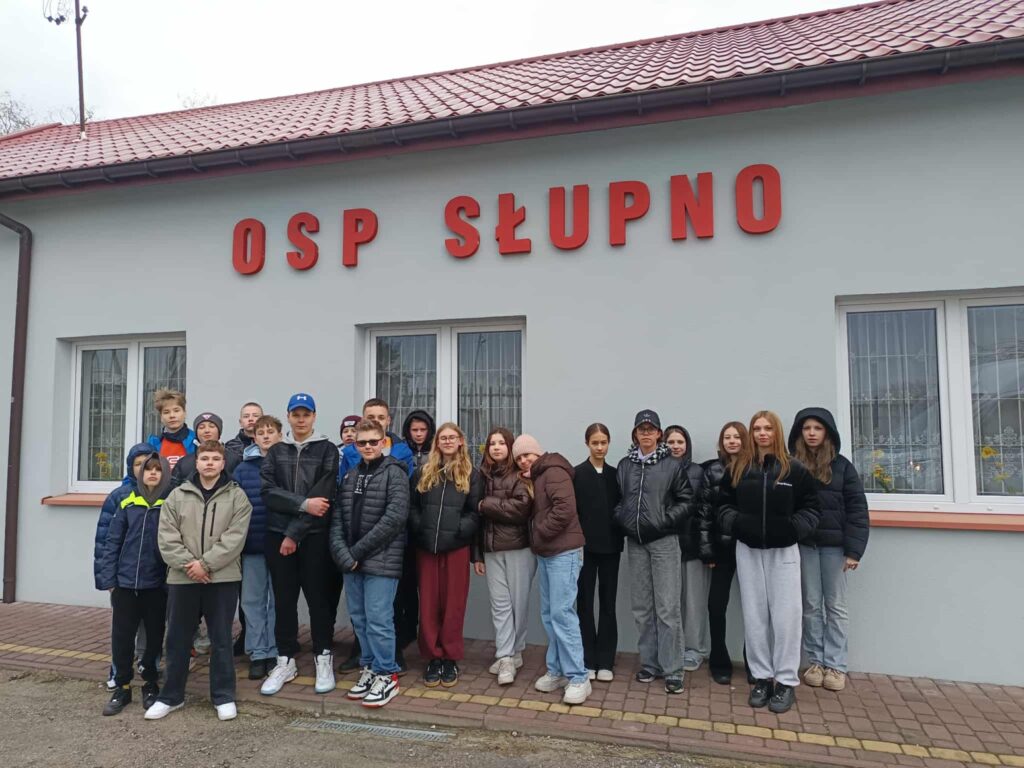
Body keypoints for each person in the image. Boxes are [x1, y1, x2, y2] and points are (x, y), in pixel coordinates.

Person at [716, 410, 820, 714]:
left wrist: (792, 530)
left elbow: (812, 509)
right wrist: (737, 525)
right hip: (748, 550)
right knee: (755, 616)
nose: (762, 433)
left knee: (787, 617)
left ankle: (785, 681)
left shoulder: (794, 470)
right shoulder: (738, 468)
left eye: (767, 428)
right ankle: (762, 678)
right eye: (757, 428)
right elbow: (722, 506)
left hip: (783, 552)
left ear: (776, 432)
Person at [147, 441, 252, 721]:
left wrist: (205, 565)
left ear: (223, 463)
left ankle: (223, 696)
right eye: (204, 458)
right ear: (196, 462)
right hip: (183, 578)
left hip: (222, 578)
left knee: (221, 639)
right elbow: (167, 537)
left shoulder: (237, 497)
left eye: (215, 459)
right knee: (177, 639)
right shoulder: (177, 495)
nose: (209, 463)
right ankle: (170, 697)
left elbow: (235, 538)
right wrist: (190, 566)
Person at [259, 393, 340, 697]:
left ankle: (323, 656)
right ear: (289, 416)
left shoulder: (327, 450)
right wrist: (303, 504)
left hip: (313, 537)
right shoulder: (276, 451)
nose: (301, 419)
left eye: (306, 414)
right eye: (296, 414)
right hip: (276, 535)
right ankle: (285, 660)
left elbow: (324, 495)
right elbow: (268, 492)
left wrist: (294, 534)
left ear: (314, 416)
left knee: (319, 600)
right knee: (284, 600)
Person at [331, 419, 411, 708]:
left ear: (383, 442)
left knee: (379, 619)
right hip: (352, 562)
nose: (367, 447)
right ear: (355, 445)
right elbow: (337, 518)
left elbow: (394, 518)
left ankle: (387, 674)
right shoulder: (350, 475)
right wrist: (344, 554)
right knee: (360, 619)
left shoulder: (395, 473)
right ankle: (369, 667)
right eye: (361, 442)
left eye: (373, 442)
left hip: (381, 561)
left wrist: (356, 552)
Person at [788, 407, 869, 693]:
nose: (811, 433)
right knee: (811, 605)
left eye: (817, 428)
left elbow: (857, 509)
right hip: (805, 546)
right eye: (806, 428)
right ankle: (816, 662)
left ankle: (836, 665)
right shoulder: (793, 465)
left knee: (835, 606)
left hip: (835, 548)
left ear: (828, 433)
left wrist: (854, 550)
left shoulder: (843, 467)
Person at [613, 410, 693, 694]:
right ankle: (650, 663)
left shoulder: (672, 465)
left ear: (659, 433)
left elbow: (686, 501)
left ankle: (673, 669)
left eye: (651, 429)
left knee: (667, 608)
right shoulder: (625, 465)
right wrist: (623, 519)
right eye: (641, 429)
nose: (646, 433)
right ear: (635, 434)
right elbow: (619, 500)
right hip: (636, 543)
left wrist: (663, 521)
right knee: (642, 608)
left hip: (664, 543)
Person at [514, 434, 591, 706]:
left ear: (538, 453)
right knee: (550, 614)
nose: (524, 460)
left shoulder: (554, 471)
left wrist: (539, 532)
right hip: (548, 553)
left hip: (563, 552)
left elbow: (565, 509)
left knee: (562, 614)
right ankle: (557, 670)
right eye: (519, 457)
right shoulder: (538, 476)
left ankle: (579, 677)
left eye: (527, 454)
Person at [97, 453, 171, 715]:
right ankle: (123, 686)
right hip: (125, 585)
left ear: (164, 474)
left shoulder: (169, 504)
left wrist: (167, 583)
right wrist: (110, 580)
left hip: (156, 586)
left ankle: (150, 683)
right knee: (122, 638)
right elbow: (112, 543)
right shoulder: (128, 503)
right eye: (147, 469)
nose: (152, 473)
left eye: (157, 470)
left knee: (154, 638)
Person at [409, 422, 482, 688]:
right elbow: (412, 507)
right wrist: (421, 528)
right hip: (427, 548)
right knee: (429, 604)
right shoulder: (423, 471)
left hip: (456, 548)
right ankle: (432, 657)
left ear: (461, 441)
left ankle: (450, 657)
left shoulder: (471, 474)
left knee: (453, 605)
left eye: (453, 437)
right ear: (437, 442)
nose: (448, 441)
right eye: (443, 438)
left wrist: (459, 531)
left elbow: (475, 512)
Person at [94, 442, 158, 689]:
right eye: (138, 464)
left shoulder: (165, 496)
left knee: (152, 630)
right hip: (124, 578)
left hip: (153, 580)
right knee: (122, 631)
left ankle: (149, 668)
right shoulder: (120, 496)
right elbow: (105, 540)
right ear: (131, 468)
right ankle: (118, 673)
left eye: (149, 465)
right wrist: (107, 579)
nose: (144, 469)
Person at [473, 427, 534, 685]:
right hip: (491, 549)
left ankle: (515, 651)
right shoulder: (482, 475)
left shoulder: (520, 474)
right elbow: (476, 518)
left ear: (510, 447)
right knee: (499, 605)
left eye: (501, 443)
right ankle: (505, 655)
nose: (496, 447)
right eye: (492, 443)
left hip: (519, 548)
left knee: (518, 604)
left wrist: (486, 505)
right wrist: (477, 555)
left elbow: (521, 509)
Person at [697, 421, 751, 685]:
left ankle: (754, 662)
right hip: (722, 549)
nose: (732, 441)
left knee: (754, 607)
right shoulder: (712, 470)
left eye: (736, 437)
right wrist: (707, 550)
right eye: (727, 437)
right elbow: (704, 513)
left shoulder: (756, 467)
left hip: (751, 547)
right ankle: (719, 660)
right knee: (716, 605)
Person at [233, 414, 282, 680]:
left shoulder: (286, 465)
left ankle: (274, 650)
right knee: (252, 601)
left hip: (280, 544)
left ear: (279, 435)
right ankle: (257, 652)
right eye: (260, 432)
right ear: (254, 437)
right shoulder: (243, 469)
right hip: (251, 544)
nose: (265, 436)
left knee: (276, 601)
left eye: (270, 432)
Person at [573, 423, 622, 682]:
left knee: (608, 603)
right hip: (584, 549)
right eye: (595, 443)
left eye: (603, 442)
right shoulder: (577, 474)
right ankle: (587, 659)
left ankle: (606, 660)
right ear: (587, 444)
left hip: (612, 548)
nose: (600, 447)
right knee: (584, 603)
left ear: (609, 443)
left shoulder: (616, 475)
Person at [665, 425, 709, 673]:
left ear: (687, 445)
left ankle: (694, 649)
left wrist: (705, 545)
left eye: (680, 442)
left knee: (693, 601)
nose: (675, 446)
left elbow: (704, 510)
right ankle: (674, 647)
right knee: (669, 602)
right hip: (667, 545)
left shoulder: (697, 472)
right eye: (670, 442)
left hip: (692, 546)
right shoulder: (658, 470)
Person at [170, 412, 241, 489]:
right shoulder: (184, 463)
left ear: (219, 431)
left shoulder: (234, 459)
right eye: (201, 427)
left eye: (212, 426)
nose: (207, 430)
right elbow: (173, 490)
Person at [147, 388, 196, 471]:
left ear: (184, 413)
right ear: (161, 417)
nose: (172, 415)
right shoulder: (153, 443)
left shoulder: (196, 441)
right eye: (166, 412)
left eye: (176, 410)